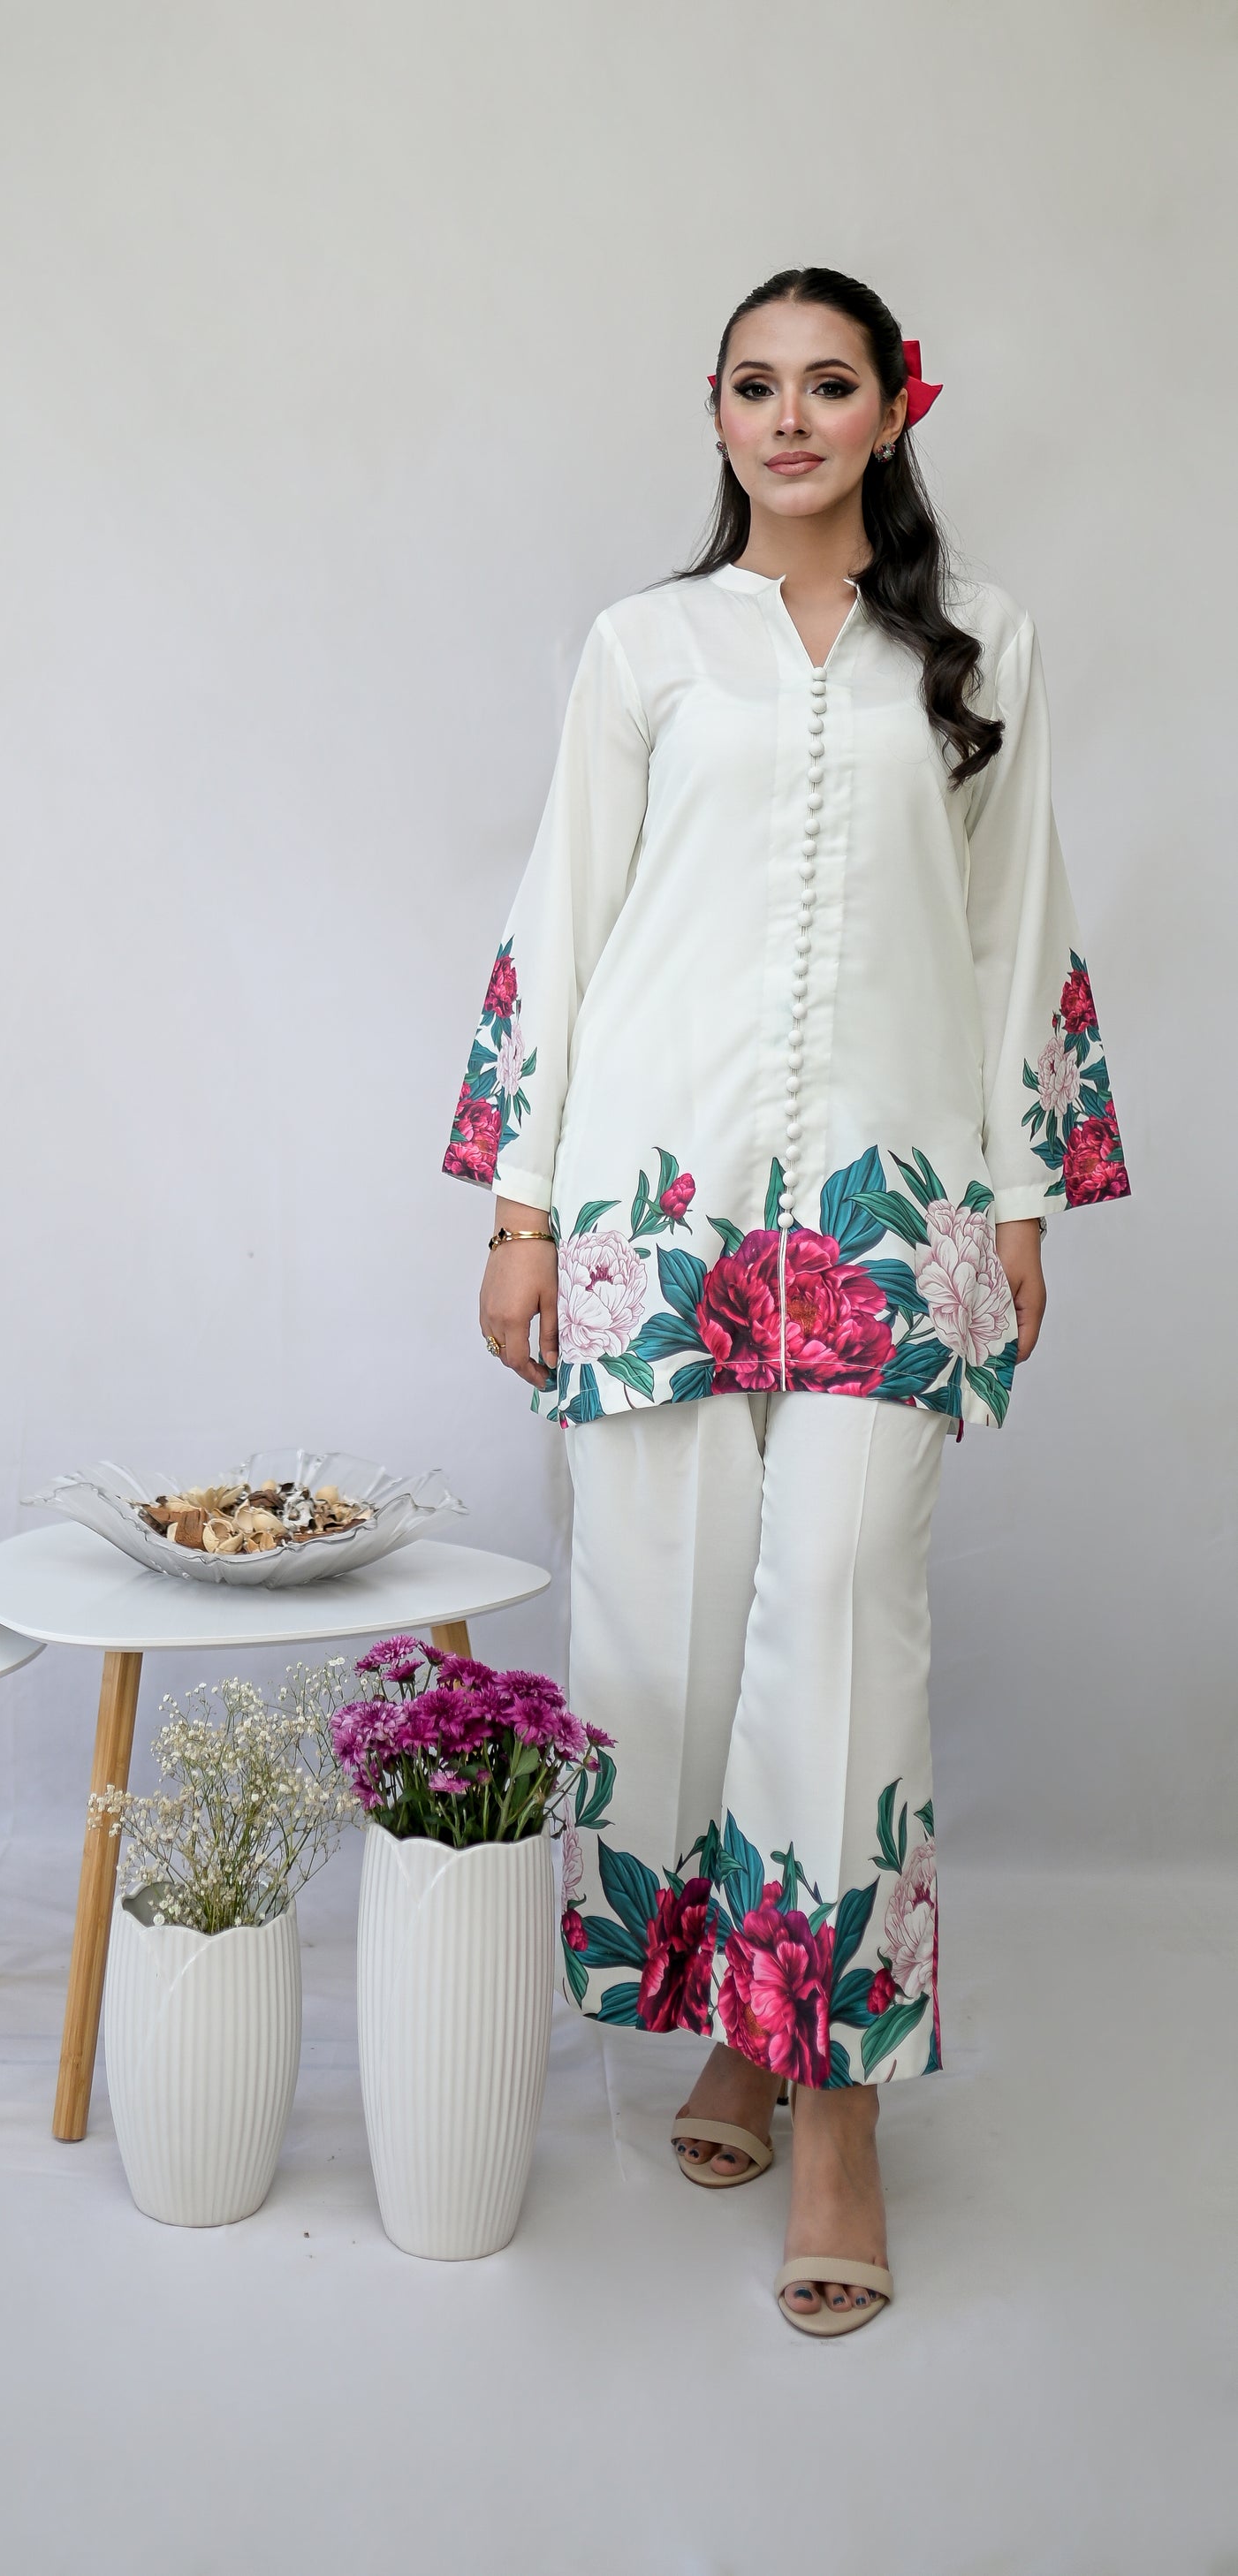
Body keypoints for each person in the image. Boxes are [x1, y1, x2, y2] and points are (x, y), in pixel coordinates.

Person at [442, 266, 1130, 2337]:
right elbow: (565, 914)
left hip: (891, 1209)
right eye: (755, 384)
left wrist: (1023, 1194)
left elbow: (1013, 924)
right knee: (663, 1626)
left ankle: (837, 2107)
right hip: (650, 1206)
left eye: (829, 383)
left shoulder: (977, 641)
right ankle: (735, 2027)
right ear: (717, 410)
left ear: (895, 407)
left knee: (834, 1610)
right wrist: (521, 1210)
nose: (790, 416)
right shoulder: (644, 646)